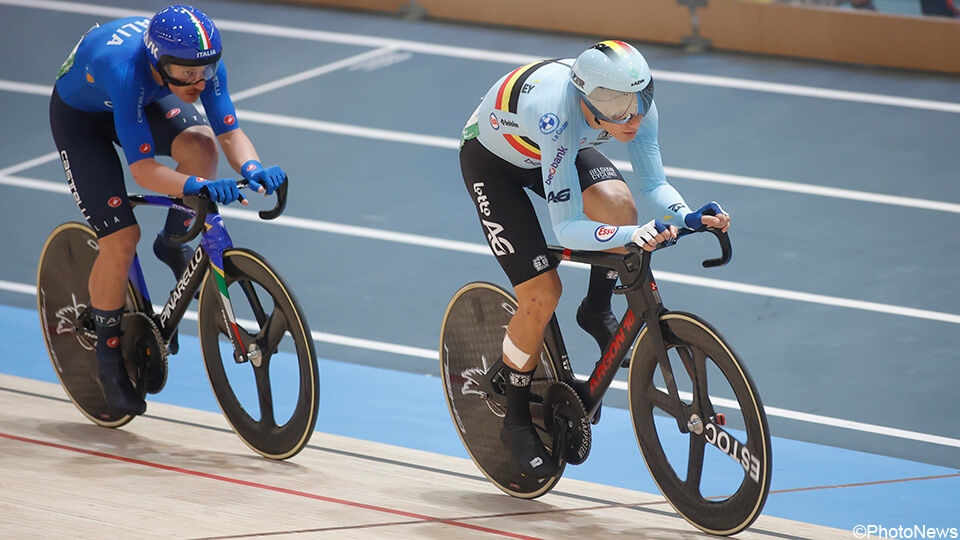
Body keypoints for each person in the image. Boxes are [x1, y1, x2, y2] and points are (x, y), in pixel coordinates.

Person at [459, 40, 730, 477]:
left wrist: (688, 214)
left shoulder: (636, 109)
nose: (632, 117)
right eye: (618, 106)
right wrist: (632, 236)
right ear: (588, 98)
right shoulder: (558, 115)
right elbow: (566, 228)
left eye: (640, 100)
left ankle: (596, 308)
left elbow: (653, 182)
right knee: (542, 294)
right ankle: (514, 417)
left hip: (550, 151)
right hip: (494, 160)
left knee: (620, 203)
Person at [49, 5, 288, 417]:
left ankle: (172, 242)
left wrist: (253, 168)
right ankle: (107, 361)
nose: (198, 83)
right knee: (121, 240)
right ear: (159, 62)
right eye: (186, 74)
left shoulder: (200, 64)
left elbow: (228, 131)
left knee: (201, 146)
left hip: (141, 103)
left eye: (205, 72)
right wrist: (198, 186)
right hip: (83, 121)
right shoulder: (126, 71)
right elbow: (143, 172)